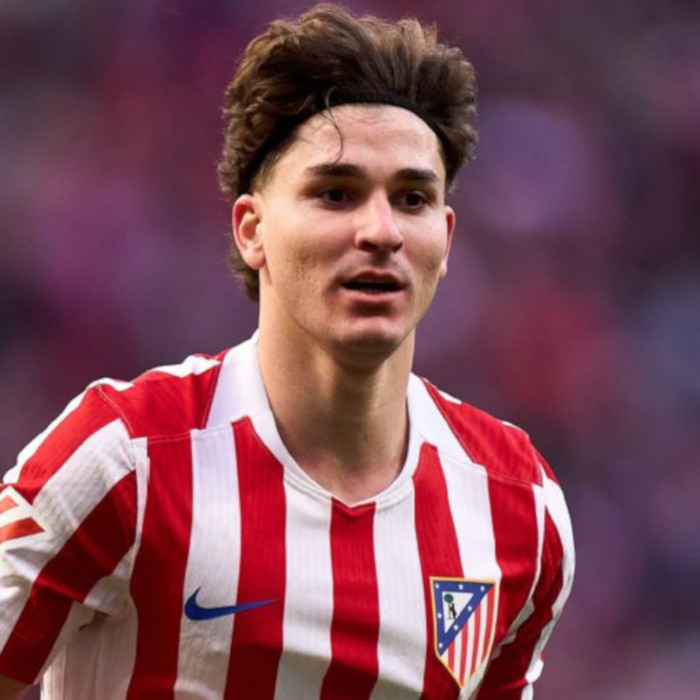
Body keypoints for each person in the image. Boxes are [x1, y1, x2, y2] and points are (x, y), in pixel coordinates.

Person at [0, 4, 574, 698]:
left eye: (412, 198)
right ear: (252, 230)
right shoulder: (123, 459)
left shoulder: (518, 507)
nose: (382, 231)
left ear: (446, 239)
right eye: (336, 193)